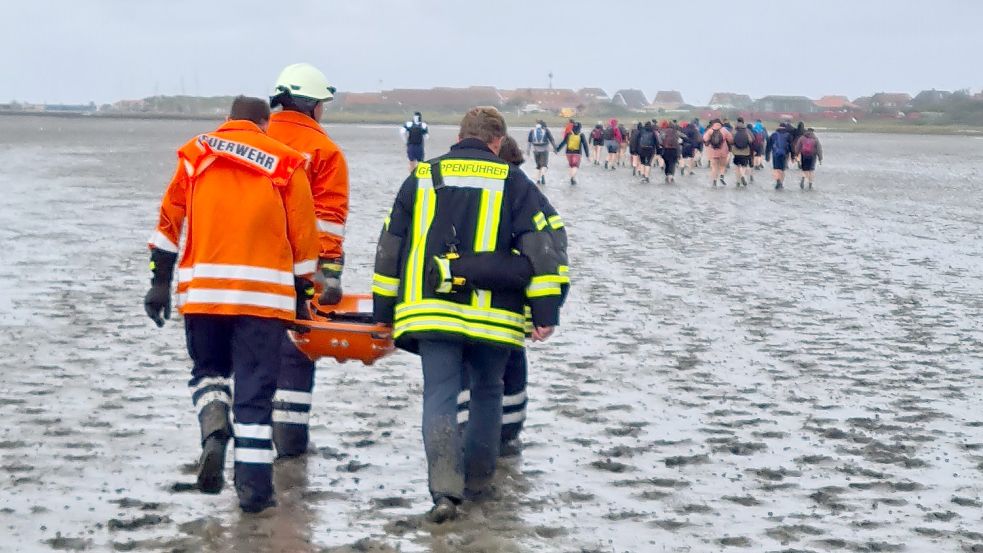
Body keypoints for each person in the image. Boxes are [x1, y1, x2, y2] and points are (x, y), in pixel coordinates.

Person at [371, 107, 563, 523]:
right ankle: (478, 483)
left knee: (439, 395)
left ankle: (444, 491)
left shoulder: (421, 176)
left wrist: (382, 311)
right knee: (488, 392)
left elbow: (389, 247)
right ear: (498, 141)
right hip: (494, 315)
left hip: (431, 310)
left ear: (459, 136)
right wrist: (546, 311)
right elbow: (541, 247)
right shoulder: (514, 180)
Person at [143, 96, 319, 513]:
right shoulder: (286, 162)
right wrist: (305, 297)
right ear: (263, 124)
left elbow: (169, 223)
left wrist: (159, 282)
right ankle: (255, 494)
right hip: (263, 302)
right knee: (256, 397)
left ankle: (214, 426)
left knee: (208, 372)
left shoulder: (195, 154)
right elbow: (305, 240)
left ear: (227, 120)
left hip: (204, 295)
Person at [467, 136, 570, 455]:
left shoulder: (471, 193)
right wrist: (546, 311)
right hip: (510, 312)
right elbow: (555, 254)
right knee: (508, 370)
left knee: (479, 374)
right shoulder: (528, 194)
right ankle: (506, 436)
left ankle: (488, 435)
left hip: (472, 310)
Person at [267, 63, 349, 458]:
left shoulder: (255, 136)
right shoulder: (325, 151)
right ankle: (290, 442)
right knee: (296, 351)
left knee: (249, 354)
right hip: (297, 268)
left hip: (241, 263)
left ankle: (250, 433)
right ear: (313, 106)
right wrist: (329, 274)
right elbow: (328, 221)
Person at [702, 119, 733, 186]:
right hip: (723, 151)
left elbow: (704, 138)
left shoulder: (710, 130)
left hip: (713, 151)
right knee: (722, 166)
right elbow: (731, 140)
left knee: (714, 167)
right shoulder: (724, 130)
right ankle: (721, 176)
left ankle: (714, 180)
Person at [526, 120, 556, 185]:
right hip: (545, 150)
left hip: (535, 150)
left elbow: (529, 141)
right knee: (544, 165)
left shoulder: (532, 131)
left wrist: (528, 151)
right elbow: (551, 139)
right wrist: (555, 148)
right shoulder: (546, 130)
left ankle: (537, 180)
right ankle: (542, 175)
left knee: (538, 165)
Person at [765, 123, 794, 189]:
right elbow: (792, 147)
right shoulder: (788, 135)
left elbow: (768, 146)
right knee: (782, 170)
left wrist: (767, 156)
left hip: (775, 154)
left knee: (776, 169)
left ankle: (777, 180)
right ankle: (781, 182)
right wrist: (793, 156)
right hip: (784, 154)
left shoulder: (773, 134)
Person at [730, 117, 754, 187]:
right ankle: (743, 176)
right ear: (743, 122)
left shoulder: (734, 130)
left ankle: (738, 181)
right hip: (745, 151)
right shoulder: (747, 130)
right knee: (744, 166)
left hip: (736, 152)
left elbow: (731, 140)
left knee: (737, 166)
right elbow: (751, 140)